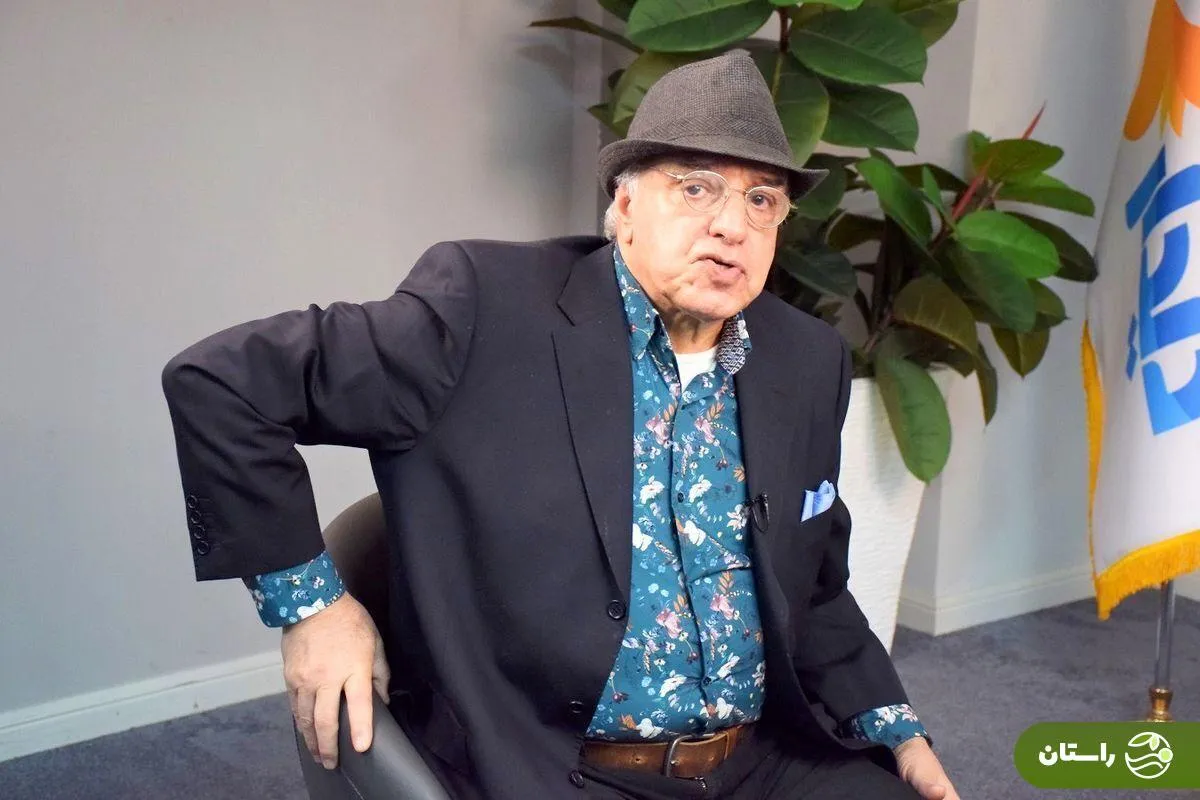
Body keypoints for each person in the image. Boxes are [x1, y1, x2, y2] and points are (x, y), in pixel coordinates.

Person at [162, 50, 959, 800]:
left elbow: (814, 588)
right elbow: (220, 383)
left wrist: (894, 725)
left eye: (762, 199)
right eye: (696, 188)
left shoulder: (807, 359)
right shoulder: (483, 308)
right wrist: (313, 609)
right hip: (558, 766)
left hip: (758, 761)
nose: (732, 225)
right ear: (625, 205)